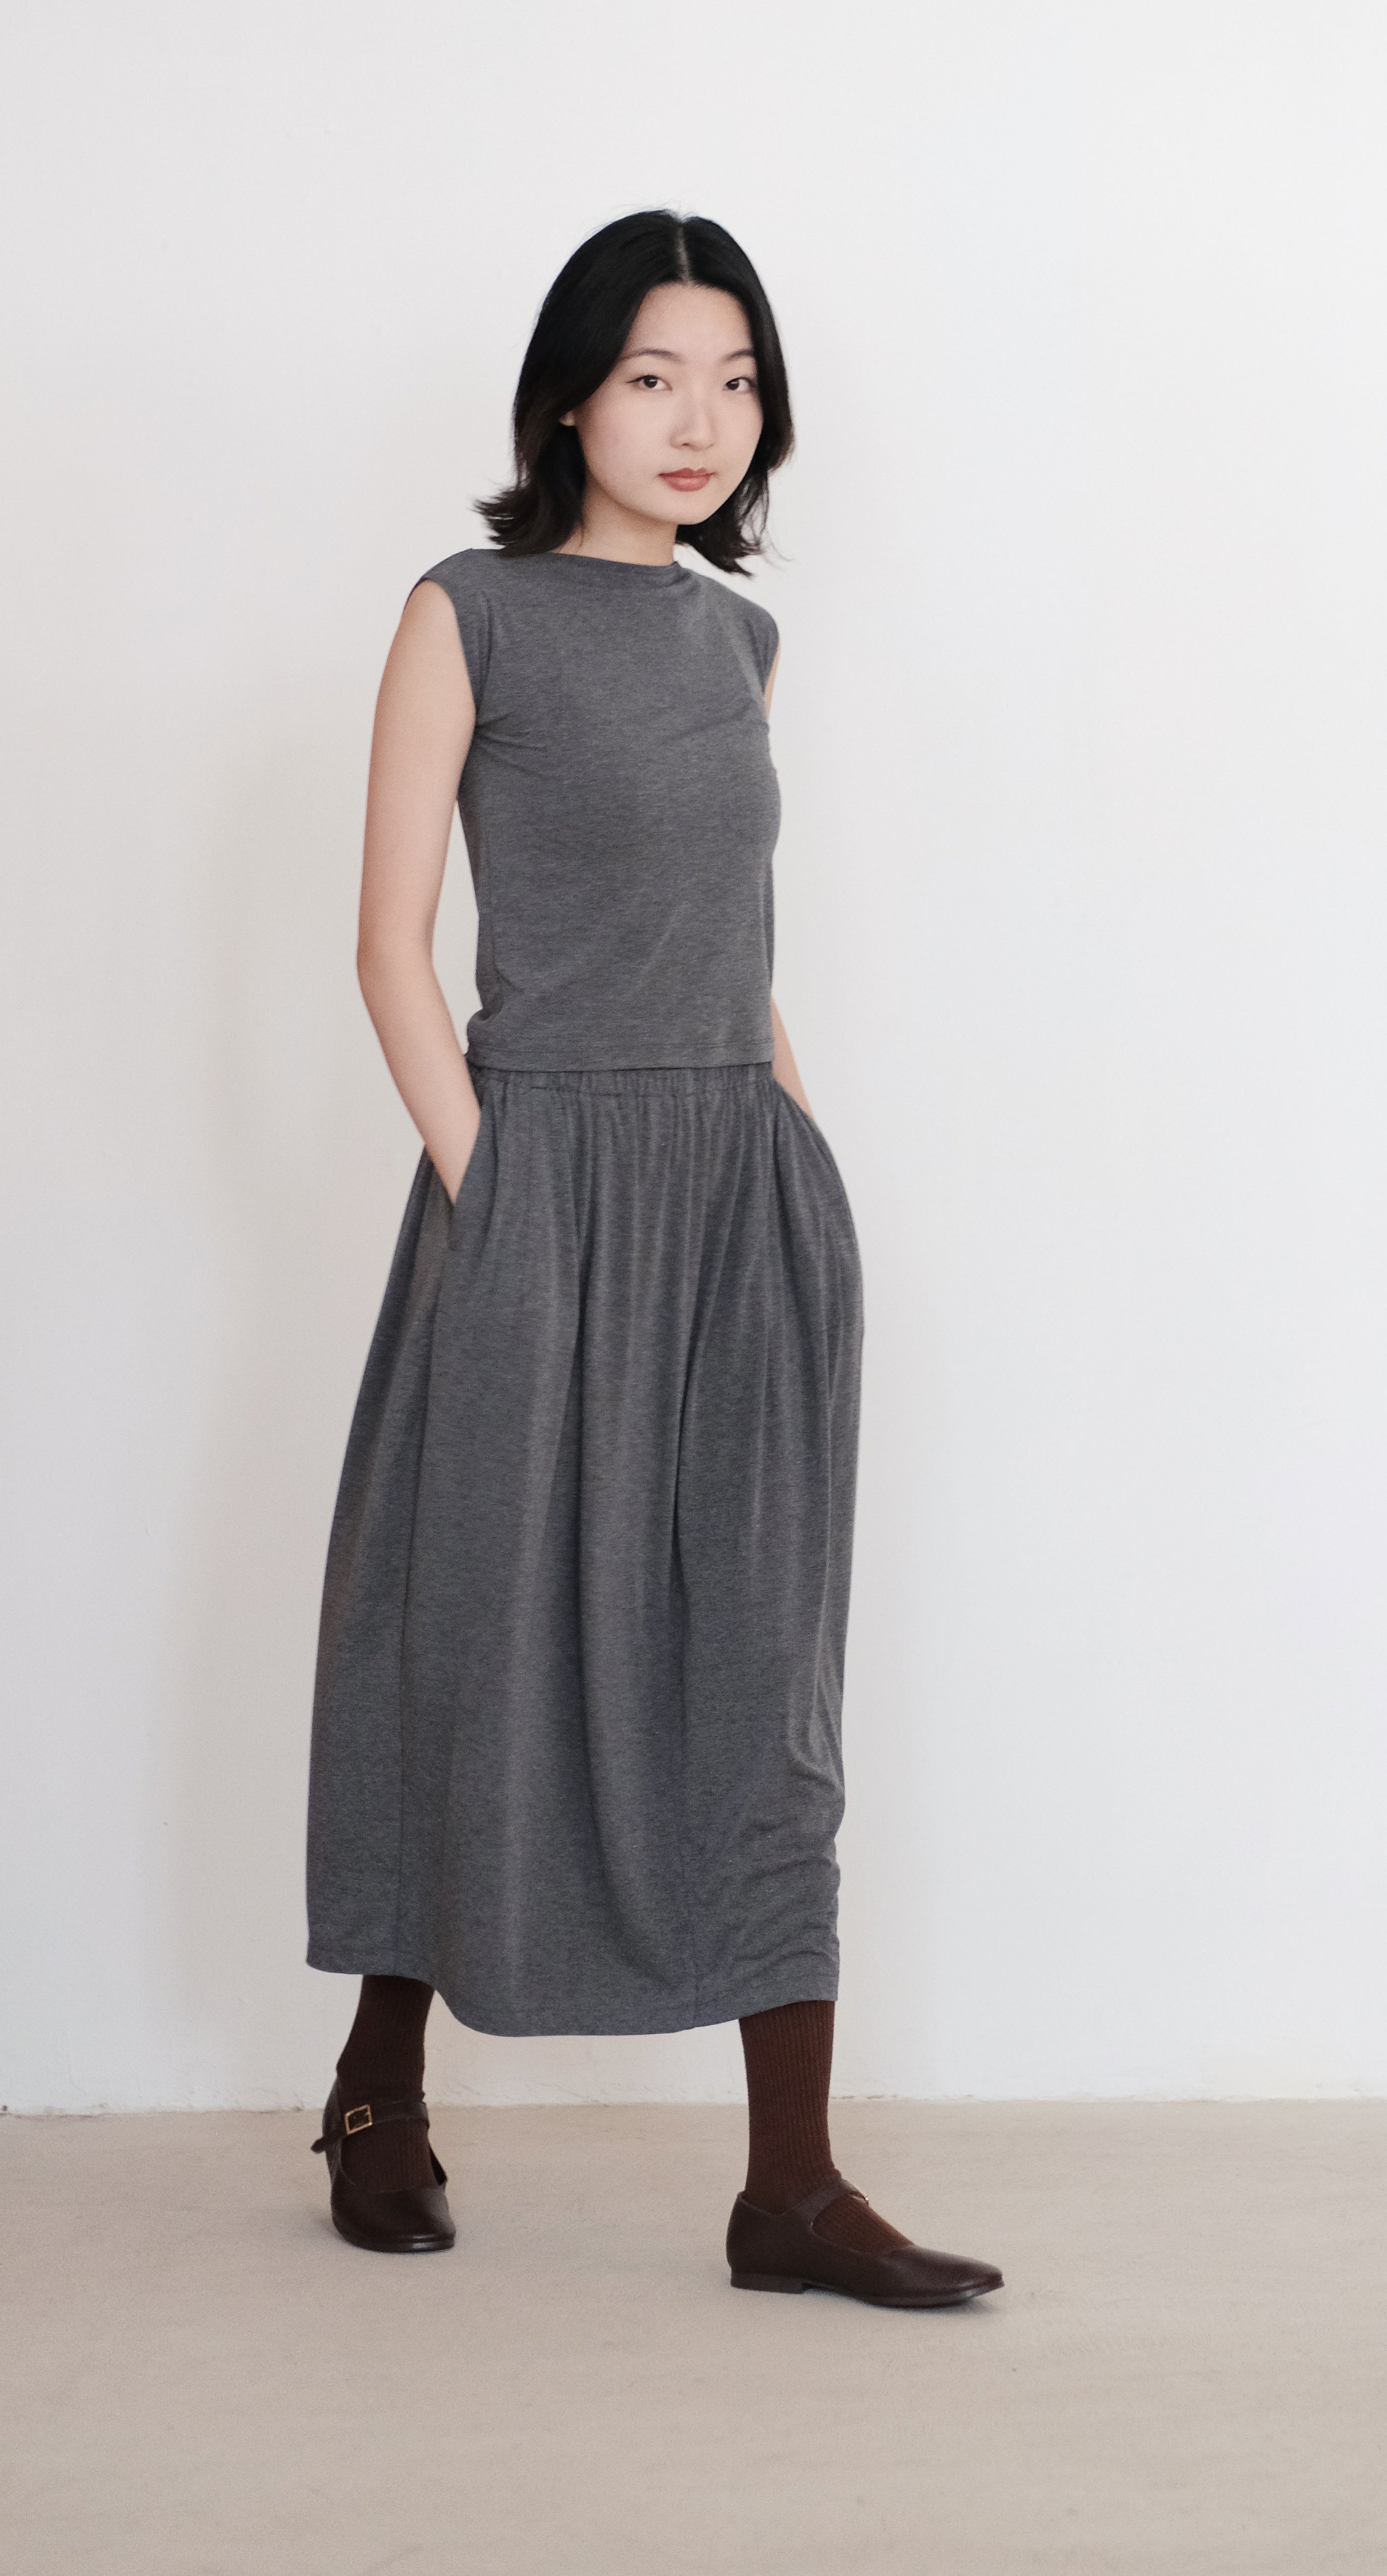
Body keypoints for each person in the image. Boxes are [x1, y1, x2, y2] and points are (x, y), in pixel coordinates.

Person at [303, 208, 1001, 2310]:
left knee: (765, 1670)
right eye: (653, 377)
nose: (701, 420)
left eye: (736, 381)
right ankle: (379, 2084)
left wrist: (791, 1137)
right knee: (469, 1634)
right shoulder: (468, 616)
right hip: (536, 1183)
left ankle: (790, 2184)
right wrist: (493, 1184)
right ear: (569, 400)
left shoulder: (739, 645)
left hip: (737, 1194)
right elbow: (389, 948)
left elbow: (730, 936)